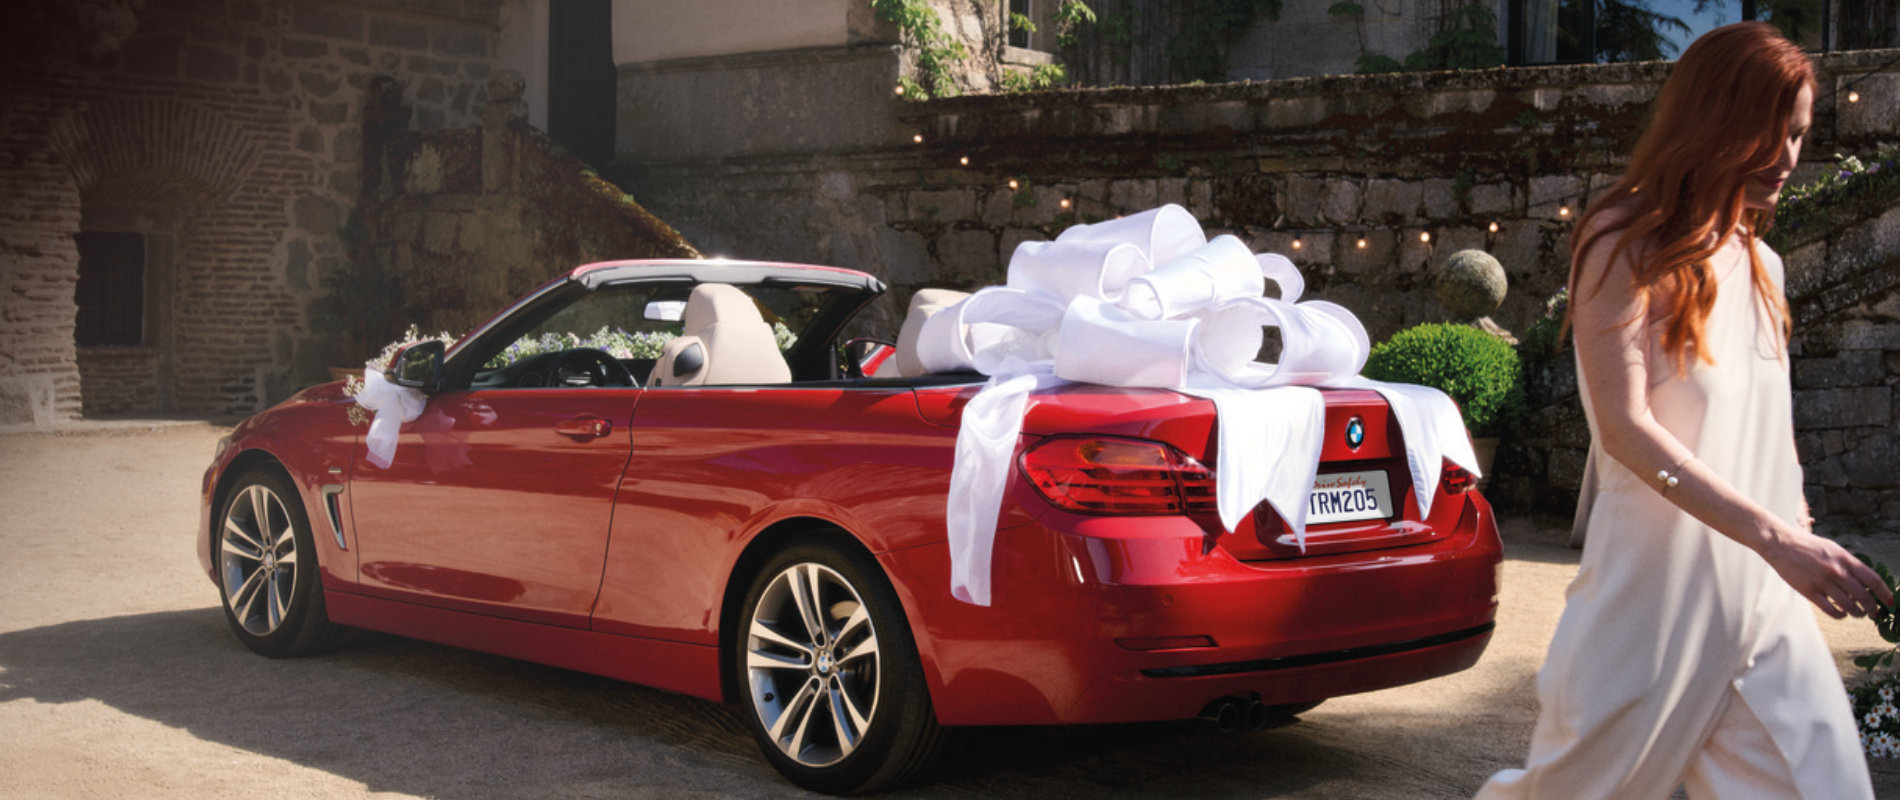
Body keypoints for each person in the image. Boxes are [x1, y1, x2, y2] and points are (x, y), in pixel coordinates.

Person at [1477, 22, 1893, 799]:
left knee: (1828, 786)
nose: (1789, 157)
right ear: (1715, 120)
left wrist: (1798, 538)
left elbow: (1773, 431)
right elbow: (1628, 429)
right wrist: (1778, 541)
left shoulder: (1763, 263)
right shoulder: (1620, 242)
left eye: (1799, 134)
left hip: (1762, 604)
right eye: (1771, 132)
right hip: (1651, 610)